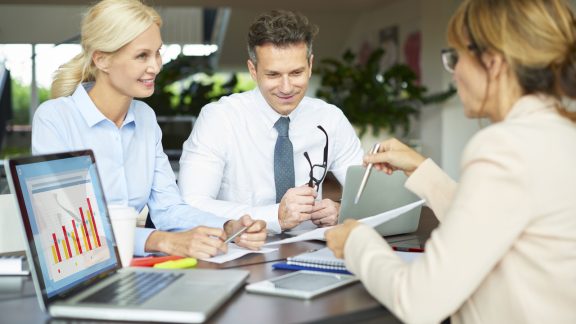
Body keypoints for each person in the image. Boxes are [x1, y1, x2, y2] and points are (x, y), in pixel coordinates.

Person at [326, 0, 576, 322]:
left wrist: (357, 241)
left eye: (456, 57)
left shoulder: (503, 147)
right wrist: (420, 168)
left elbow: (418, 302)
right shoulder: (560, 133)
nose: (454, 72)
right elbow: (496, 217)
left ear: (493, 62)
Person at [31, 0, 267, 259]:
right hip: (79, 270)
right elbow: (72, 226)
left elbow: (168, 207)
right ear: (102, 60)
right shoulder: (55, 119)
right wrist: (161, 241)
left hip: (135, 269)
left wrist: (226, 226)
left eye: (157, 52)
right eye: (142, 55)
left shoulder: (145, 118)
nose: (155, 66)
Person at [178, 10, 363, 234]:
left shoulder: (330, 119)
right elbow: (191, 205)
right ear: (253, 70)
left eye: (296, 73)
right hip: (240, 252)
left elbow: (366, 194)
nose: (286, 88)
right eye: (273, 75)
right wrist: (275, 216)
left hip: (312, 250)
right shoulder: (219, 119)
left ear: (310, 65)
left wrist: (342, 210)